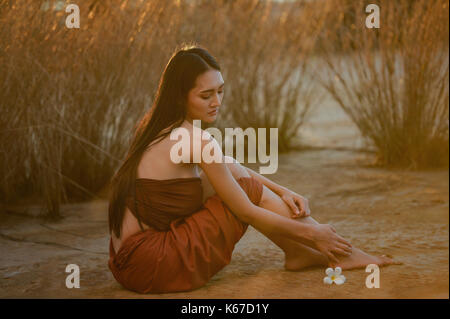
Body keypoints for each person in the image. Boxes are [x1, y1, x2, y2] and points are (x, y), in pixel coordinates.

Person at [107, 44, 399, 294]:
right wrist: (313, 235)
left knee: (237, 182)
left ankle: (302, 253)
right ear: (180, 96)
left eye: (220, 91)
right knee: (245, 191)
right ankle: (329, 251)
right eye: (206, 95)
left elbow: (232, 167)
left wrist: (284, 190)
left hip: (125, 264)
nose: (217, 102)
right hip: (153, 263)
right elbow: (245, 209)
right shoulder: (195, 140)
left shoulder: (152, 129)